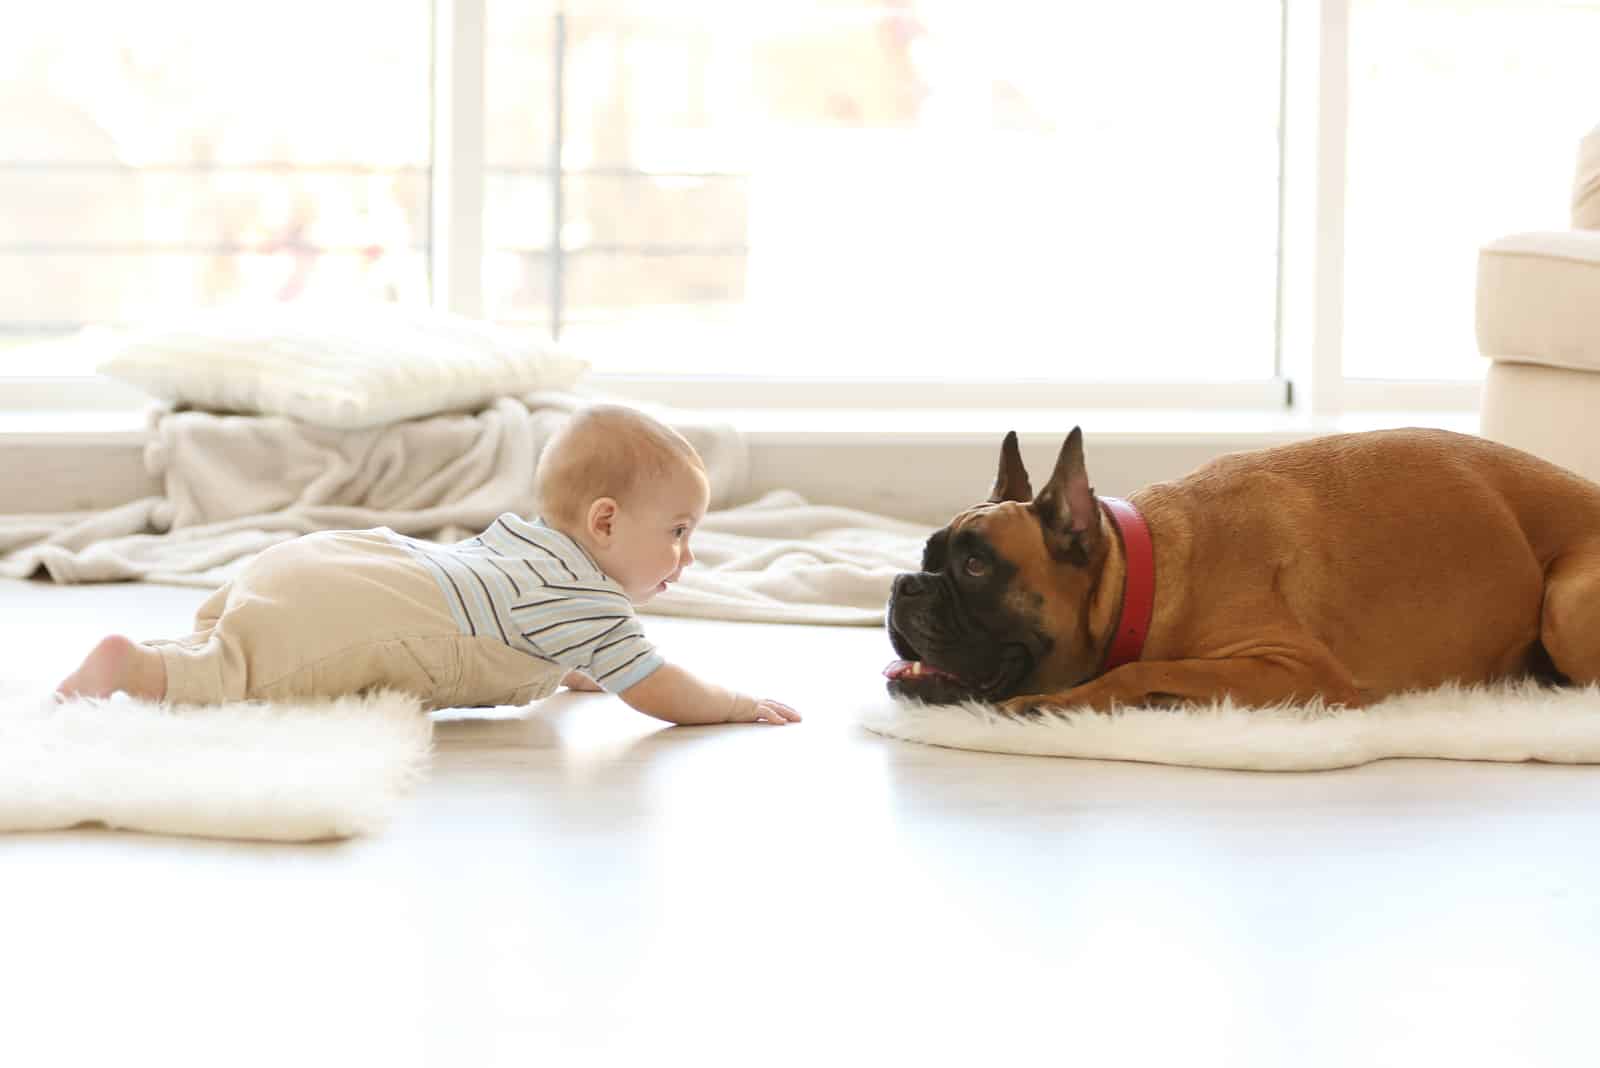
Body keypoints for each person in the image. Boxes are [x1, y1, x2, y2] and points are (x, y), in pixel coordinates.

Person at [56, 404, 801, 727]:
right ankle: (134, 667)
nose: (687, 554)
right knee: (236, 679)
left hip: (333, 562)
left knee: (240, 641)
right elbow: (656, 687)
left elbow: (554, 646)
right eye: (677, 530)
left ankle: (167, 653)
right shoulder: (587, 603)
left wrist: (583, 672)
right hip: (359, 612)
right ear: (604, 522)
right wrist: (732, 703)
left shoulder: (529, 550)